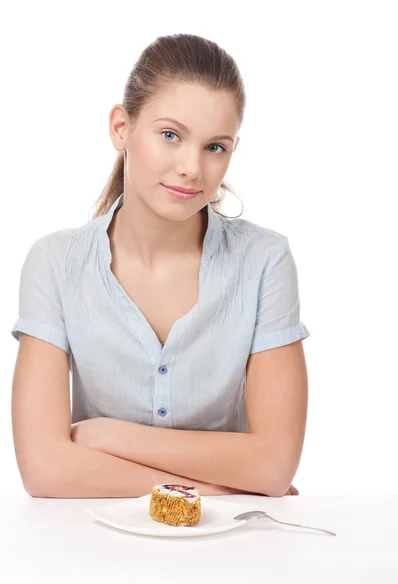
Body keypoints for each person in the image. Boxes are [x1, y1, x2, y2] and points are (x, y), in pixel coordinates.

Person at [11, 33, 309, 500]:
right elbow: (44, 468)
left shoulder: (264, 261)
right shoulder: (55, 264)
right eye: (170, 135)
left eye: (216, 147)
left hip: (232, 551)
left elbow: (274, 465)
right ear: (121, 127)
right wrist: (212, 489)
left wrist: (107, 435)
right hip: (91, 548)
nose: (192, 167)